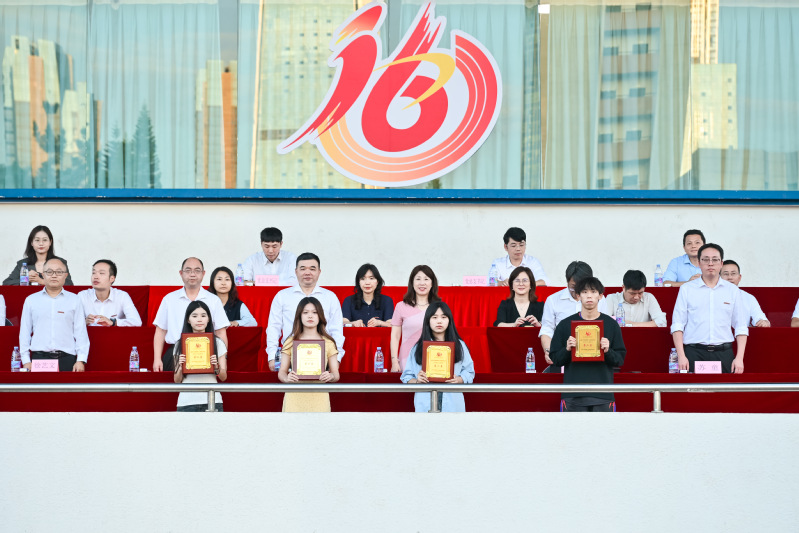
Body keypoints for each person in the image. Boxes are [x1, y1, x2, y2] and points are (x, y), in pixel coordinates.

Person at [549, 277, 626, 412]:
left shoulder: (611, 324)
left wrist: (608, 351)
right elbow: (555, 359)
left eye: (593, 291)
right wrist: (567, 349)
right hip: (573, 394)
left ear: (600, 296)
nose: (589, 296)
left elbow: (620, 360)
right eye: (584, 292)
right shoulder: (565, 324)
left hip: (603, 394)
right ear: (578, 296)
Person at [671, 243, 748, 373]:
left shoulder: (732, 290)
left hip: (724, 353)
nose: (710, 264)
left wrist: (739, 358)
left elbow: (740, 326)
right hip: (693, 353)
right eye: (706, 260)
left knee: (723, 387)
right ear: (699, 263)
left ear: (721, 263)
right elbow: (678, 324)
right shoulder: (686, 289)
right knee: (693, 387)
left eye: (715, 260)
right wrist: (681, 356)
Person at [265, 253, 344, 371]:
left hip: (323, 357)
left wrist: (336, 358)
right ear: (296, 271)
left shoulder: (330, 297)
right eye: (303, 269)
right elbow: (273, 327)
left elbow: (336, 330)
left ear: (319, 272)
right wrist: (272, 357)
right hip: (290, 357)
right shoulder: (282, 296)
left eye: (312, 269)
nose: (307, 272)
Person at [152, 258, 229, 372]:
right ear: (181, 273)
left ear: (203, 274)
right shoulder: (169, 299)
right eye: (188, 270)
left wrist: (222, 359)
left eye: (197, 270)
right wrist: (157, 359)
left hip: (206, 354)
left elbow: (221, 332)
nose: (192, 274)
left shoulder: (213, 300)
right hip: (176, 354)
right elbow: (160, 331)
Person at [400, 302, 475, 412]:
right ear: (428, 320)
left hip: (452, 402)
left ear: (449, 320)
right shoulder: (418, 348)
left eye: (443, 317)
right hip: (425, 402)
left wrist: (459, 379)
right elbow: (406, 376)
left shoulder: (460, 345)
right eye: (434, 317)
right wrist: (417, 381)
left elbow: (469, 371)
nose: (439, 321)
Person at [18, 257, 89, 371]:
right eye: (49, 272)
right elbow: (24, 332)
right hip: (39, 359)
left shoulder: (75, 300)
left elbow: (80, 332)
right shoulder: (31, 300)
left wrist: (81, 360)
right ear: (43, 275)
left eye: (59, 272)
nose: (54, 275)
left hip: (67, 359)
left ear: (65, 275)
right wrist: (26, 360)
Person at [278, 297, 340, 412]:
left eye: (314, 312)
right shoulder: (290, 342)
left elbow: (336, 374)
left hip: (319, 397)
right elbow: (281, 372)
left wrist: (330, 376)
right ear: (299, 316)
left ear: (320, 316)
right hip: (294, 397)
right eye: (305, 312)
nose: (310, 316)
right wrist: (287, 378)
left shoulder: (328, 342)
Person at [539, 261, 607, 365]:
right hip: (564, 354)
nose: (577, 292)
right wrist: (548, 350)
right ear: (567, 282)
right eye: (573, 287)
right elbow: (547, 329)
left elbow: (604, 326)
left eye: (582, 289)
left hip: (593, 354)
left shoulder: (599, 300)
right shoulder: (553, 300)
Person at [173, 301, 228, 412]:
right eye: (194, 316)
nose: (199, 319)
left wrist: (216, 367)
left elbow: (223, 377)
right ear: (188, 320)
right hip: (187, 401)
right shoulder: (181, 344)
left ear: (208, 319)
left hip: (212, 400)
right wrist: (181, 366)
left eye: (203, 316)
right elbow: (177, 380)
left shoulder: (218, 343)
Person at [390, 265, 441, 372]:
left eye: (426, 279)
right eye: (418, 279)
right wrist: (394, 361)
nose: (422, 283)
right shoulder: (401, 306)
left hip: (433, 360)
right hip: (407, 359)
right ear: (412, 283)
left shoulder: (438, 307)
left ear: (432, 283)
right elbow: (395, 336)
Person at [78, 259, 142, 327]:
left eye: (101, 273)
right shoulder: (82, 296)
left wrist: (113, 322)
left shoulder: (122, 296)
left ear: (112, 278)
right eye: (93, 273)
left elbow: (137, 322)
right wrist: (83, 322)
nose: (95, 277)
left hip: (114, 334)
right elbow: (71, 322)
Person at [3, 225, 74, 286]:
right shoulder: (23, 264)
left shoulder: (60, 262)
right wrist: (26, 279)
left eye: (45, 240)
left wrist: (42, 281)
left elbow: (69, 284)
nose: (41, 243)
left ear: (50, 242)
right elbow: (6, 283)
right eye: (37, 240)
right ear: (31, 242)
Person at [720, 260, 770, 327]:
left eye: (733, 273)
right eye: (726, 274)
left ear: (739, 277)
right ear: (718, 278)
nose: (730, 277)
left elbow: (759, 317)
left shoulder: (749, 298)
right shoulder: (712, 296)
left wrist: (763, 322)